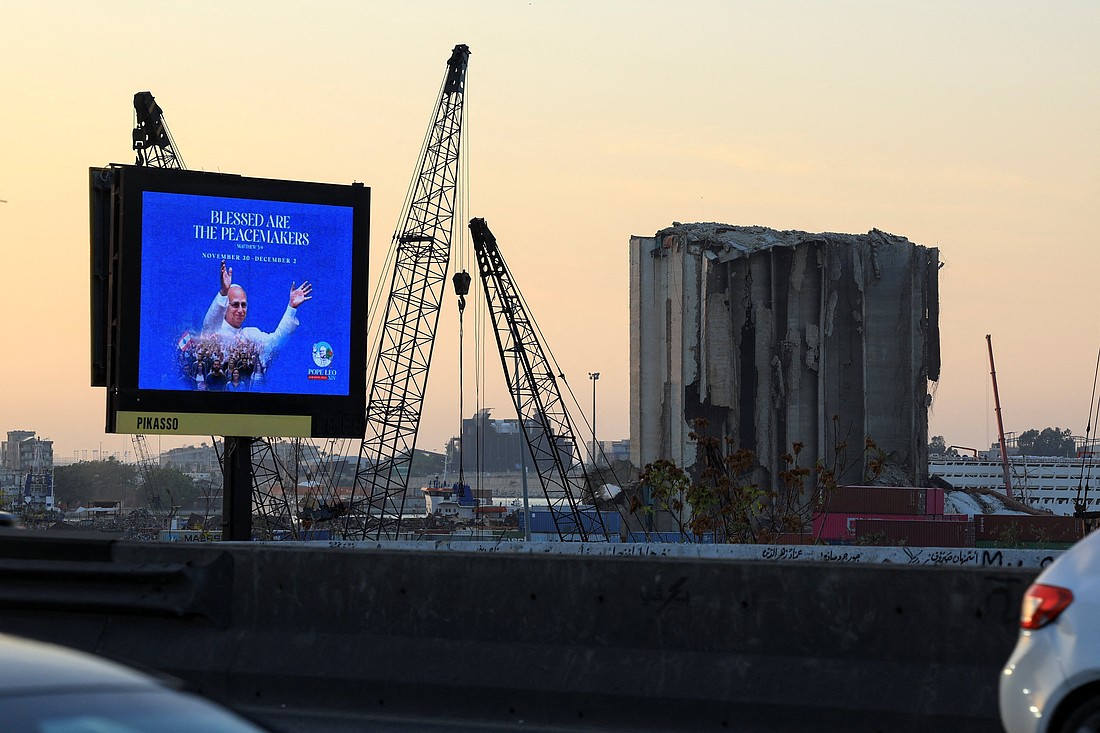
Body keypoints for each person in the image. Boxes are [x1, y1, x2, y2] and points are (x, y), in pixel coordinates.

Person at [201, 260, 312, 361]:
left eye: (243, 305)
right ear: (226, 306)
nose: (240, 310)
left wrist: (291, 307)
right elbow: (209, 323)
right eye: (235, 305)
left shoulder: (251, 334)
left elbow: (274, 343)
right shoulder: (215, 332)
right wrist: (224, 292)